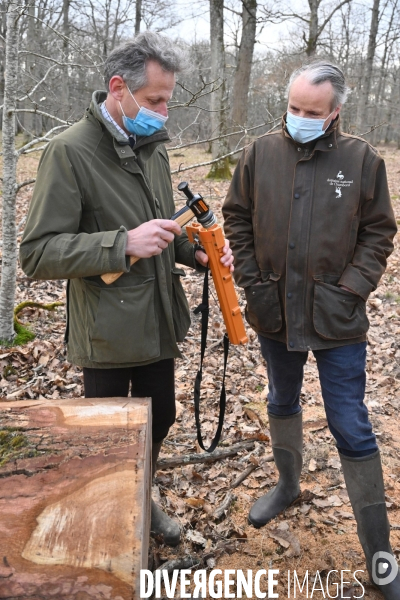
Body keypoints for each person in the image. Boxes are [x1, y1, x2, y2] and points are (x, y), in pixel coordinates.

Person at [20, 31, 233, 547]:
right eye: (156, 100)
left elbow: (162, 227)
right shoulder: (70, 152)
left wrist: (197, 252)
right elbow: (38, 253)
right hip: (108, 329)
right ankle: (109, 522)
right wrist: (122, 245)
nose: (163, 112)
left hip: (158, 315)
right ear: (119, 88)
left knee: (161, 415)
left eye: (168, 100)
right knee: (110, 436)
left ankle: (140, 496)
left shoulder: (152, 147)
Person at [222, 61, 399, 598]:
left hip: (336, 316)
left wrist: (350, 288)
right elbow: (237, 218)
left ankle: (380, 557)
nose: (298, 118)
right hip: (274, 308)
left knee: (351, 422)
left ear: (335, 112)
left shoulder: (362, 160)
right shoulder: (260, 153)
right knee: (281, 398)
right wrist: (252, 281)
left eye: (311, 112)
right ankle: (288, 485)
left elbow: (378, 232)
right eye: (293, 108)